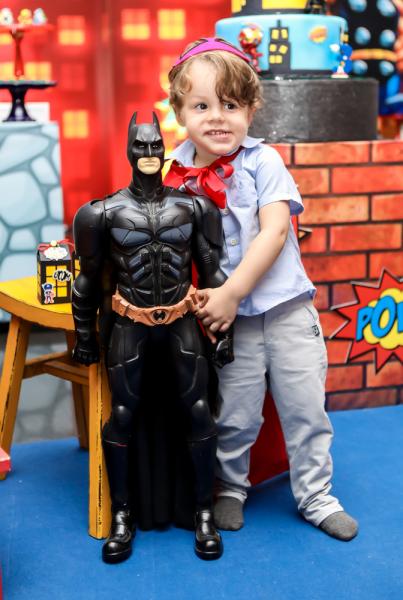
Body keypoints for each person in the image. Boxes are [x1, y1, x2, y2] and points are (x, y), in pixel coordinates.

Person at [165, 37, 358, 541]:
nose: (217, 118)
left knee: (305, 409)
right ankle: (231, 487)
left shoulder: (263, 161)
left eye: (230, 105)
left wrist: (231, 292)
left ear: (251, 110)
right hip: (234, 326)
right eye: (201, 106)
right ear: (179, 112)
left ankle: (316, 496)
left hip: (286, 310)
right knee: (235, 413)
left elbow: (274, 232)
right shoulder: (175, 178)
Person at [71, 112, 233, 563]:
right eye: (139, 146)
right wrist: (84, 334)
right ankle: (122, 515)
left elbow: (214, 276)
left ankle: (203, 513)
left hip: (181, 322)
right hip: (131, 324)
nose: (147, 153)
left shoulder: (195, 208)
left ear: (164, 149)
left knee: (198, 411)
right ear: (128, 150)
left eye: (154, 146)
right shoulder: (101, 214)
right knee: (122, 416)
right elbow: (86, 281)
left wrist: (225, 331)